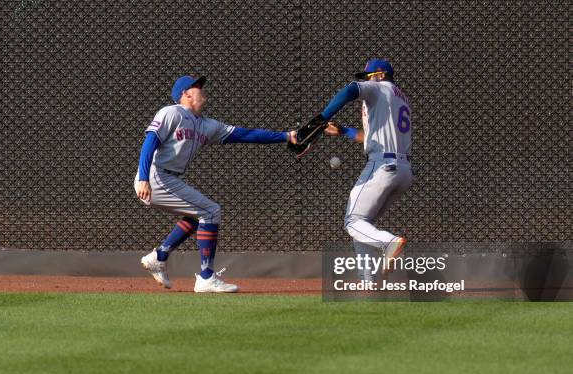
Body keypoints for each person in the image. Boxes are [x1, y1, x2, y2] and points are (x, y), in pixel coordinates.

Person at [135, 75, 296, 292]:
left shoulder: (206, 125)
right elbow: (149, 143)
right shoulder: (171, 112)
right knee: (210, 212)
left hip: (168, 177)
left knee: (198, 214)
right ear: (186, 93)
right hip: (156, 176)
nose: (203, 91)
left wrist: (286, 136)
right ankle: (206, 277)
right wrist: (144, 178)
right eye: (198, 87)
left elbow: (245, 134)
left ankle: (159, 256)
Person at [319, 59, 413, 278]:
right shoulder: (401, 99)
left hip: (383, 166)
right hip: (404, 171)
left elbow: (351, 89)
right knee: (362, 222)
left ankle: (388, 241)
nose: (366, 80)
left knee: (352, 222)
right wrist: (343, 131)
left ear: (380, 75)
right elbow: (367, 137)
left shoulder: (379, 87)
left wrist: (322, 117)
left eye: (369, 76)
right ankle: (366, 279)